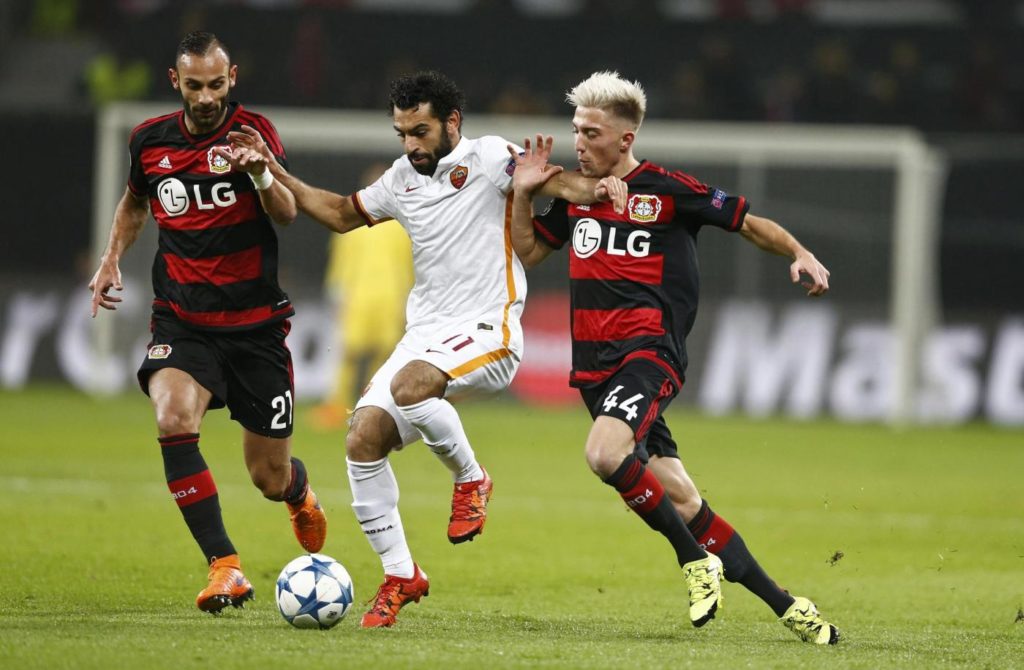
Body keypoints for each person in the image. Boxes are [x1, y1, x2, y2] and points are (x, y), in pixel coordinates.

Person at [222, 70, 622, 628]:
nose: (411, 144)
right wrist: (272, 169)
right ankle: (400, 574)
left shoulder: (490, 157)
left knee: (411, 385)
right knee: (362, 438)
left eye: (420, 131)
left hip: (489, 329)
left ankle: (471, 478)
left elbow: (565, 187)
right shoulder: (399, 180)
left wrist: (603, 187)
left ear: (451, 122)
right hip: (426, 336)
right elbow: (338, 214)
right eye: (402, 133)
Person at [508, 71, 840, 644]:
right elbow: (530, 251)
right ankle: (790, 607)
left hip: (649, 353)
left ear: (626, 138)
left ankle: (693, 561)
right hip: (594, 370)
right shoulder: (577, 198)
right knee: (683, 499)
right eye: (576, 130)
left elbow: (747, 223)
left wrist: (799, 250)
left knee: (603, 453)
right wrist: (522, 194)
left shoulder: (667, 189)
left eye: (591, 133)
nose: (579, 143)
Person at [88, 31, 327, 614]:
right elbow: (135, 201)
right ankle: (225, 566)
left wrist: (261, 173)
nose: (205, 97)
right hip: (183, 320)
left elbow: (287, 213)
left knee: (268, 477)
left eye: (215, 85)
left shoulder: (254, 133)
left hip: (255, 326)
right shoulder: (150, 140)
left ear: (232, 78)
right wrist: (111, 255)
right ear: (176, 81)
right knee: (172, 418)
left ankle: (298, 492)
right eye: (193, 85)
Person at [310, 163, 413, 431]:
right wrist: (337, 293)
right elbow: (342, 262)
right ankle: (339, 406)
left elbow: (410, 265)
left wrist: (409, 299)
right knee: (350, 352)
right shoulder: (362, 223)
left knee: (380, 355)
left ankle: (371, 407)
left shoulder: (400, 224)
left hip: (386, 296)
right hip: (364, 296)